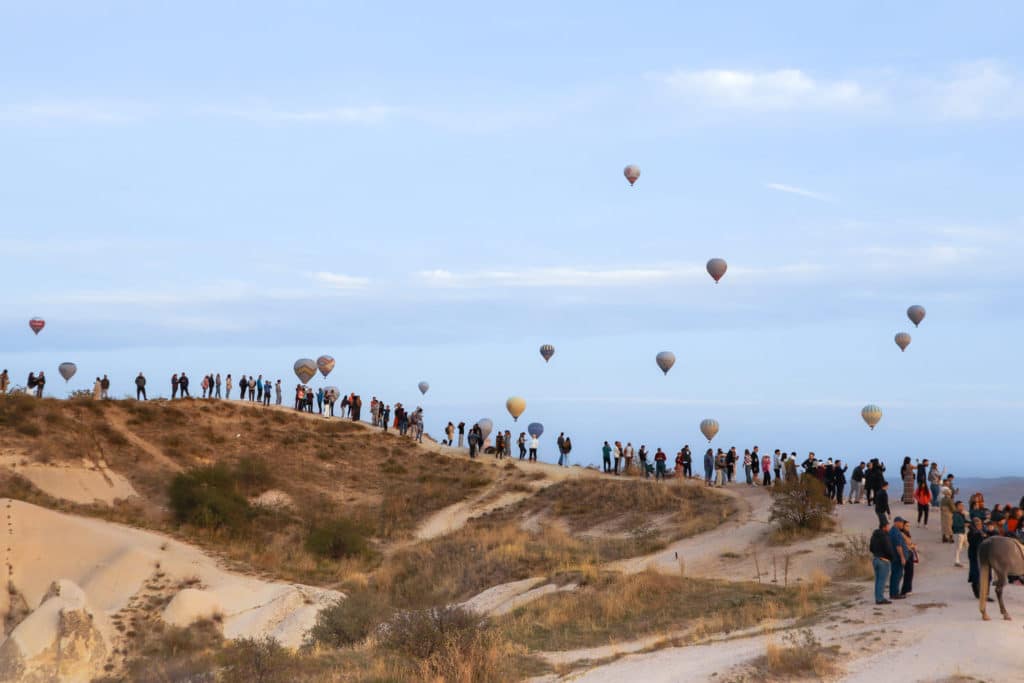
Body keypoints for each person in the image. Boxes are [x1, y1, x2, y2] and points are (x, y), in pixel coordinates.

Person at [870, 521, 895, 604]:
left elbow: (871, 548)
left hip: (875, 559)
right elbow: (888, 549)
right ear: (884, 527)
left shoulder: (874, 535)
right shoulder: (885, 536)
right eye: (888, 526)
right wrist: (891, 558)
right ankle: (880, 599)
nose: (889, 528)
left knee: (878, 580)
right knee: (882, 581)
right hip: (883, 561)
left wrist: (877, 554)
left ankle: (878, 598)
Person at [888, 517, 910, 600]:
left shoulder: (892, 531)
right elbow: (898, 546)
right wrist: (902, 557)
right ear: (896, 522)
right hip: (897, 558)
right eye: (901, 523)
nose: (902, 524)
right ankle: (894, 593)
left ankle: (893, 593)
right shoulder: (896, 533)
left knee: (895, 574)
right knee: (897, 575)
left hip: (894, 557)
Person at [967, 516, 988, 598]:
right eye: (976, 523)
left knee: (981, 573)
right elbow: (974, 543)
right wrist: (980, 535)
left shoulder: (982, 531)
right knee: (975, 572)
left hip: (981, 555)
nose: (978, 524)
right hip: (974, 554)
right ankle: (977, 591)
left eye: (979, 523)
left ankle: (981, 592)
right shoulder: (972, 533)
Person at [901, 524, 918, 596]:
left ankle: (908, 588)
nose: (908, 527)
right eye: (907, 526)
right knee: (908, 572)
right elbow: (907, 544)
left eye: (909, 526)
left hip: (910, 553)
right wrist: (912, 546)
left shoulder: (907, 534)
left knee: (910, 572)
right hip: (906, 554)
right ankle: (905, 590)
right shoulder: (902, 534)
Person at [952, 501, 968, 566]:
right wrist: (964, 525)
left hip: (963, 532)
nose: (962, 507)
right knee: (958, 547)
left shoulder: (961, 514)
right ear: (957, 507)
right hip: (958, 533)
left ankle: (970, 559)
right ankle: (956, 561)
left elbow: (965, 521)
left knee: (967, 546)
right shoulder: (955, 515)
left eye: (963, 506)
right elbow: (955, 525)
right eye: (961, 505)